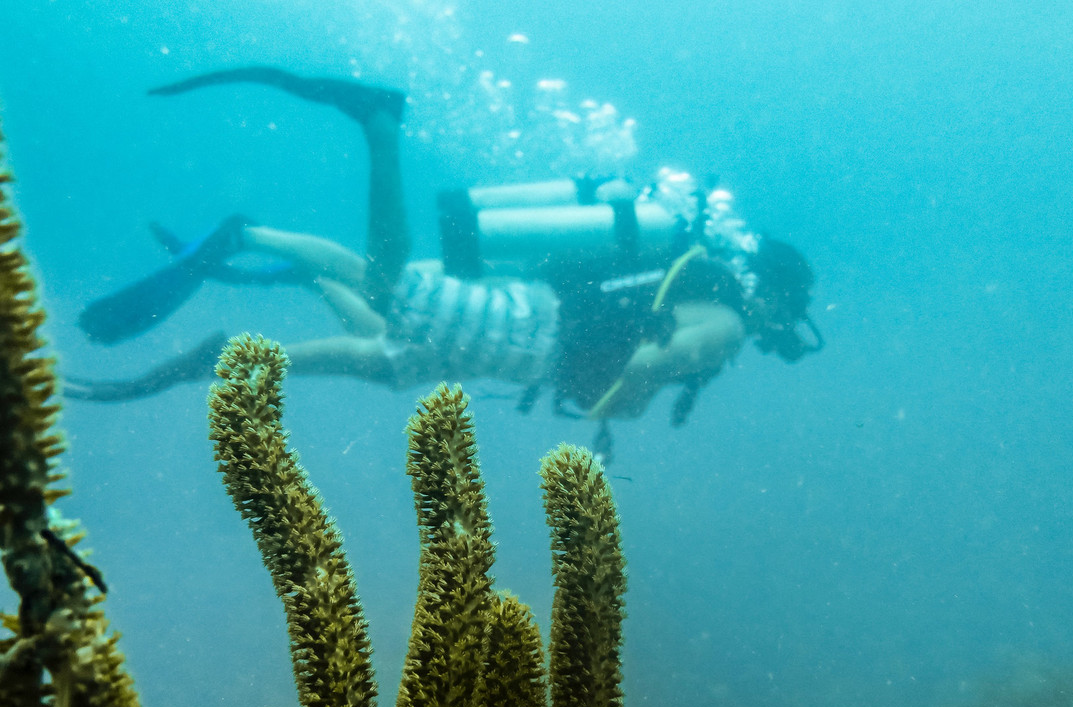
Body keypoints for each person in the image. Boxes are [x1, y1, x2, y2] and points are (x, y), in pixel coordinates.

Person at [66, 67, 822, 453]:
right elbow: (652, 369)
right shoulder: (725, 320)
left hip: (528, 333)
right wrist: (625, 406)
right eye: (787, 311)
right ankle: (378, 126)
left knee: (384, 357)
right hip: (535, 336)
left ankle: (236, 343)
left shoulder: (705, 279)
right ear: (774, 295)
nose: (781, 327)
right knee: (392, 286)